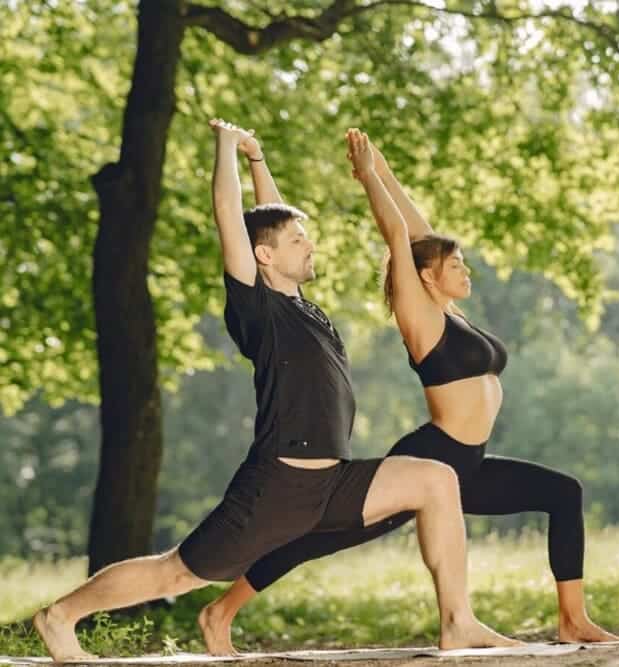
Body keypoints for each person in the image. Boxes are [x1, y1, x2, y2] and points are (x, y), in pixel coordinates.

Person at [32, 120, 514, 662]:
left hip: (332, 479)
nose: (309, 246)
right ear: (264, 258)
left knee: (436, 480)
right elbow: (233, 222)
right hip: (278, 486)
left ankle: (457, 621)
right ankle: (60, 616)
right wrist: (225, 148)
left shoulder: (302, 307)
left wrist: (260, 161)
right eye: (297, 242)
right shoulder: (258, 310)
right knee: (180, 572)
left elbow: (272, 223)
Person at [195, 128, 619, 656]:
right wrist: (368, 180)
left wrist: (379, 167)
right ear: (424, 276)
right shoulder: (418, 312)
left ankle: (572, 619)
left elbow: (419, 232)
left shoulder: (450, 310)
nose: (464, 268)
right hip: (433, 456)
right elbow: (399, 237)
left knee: (564, 493)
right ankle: (220, 611)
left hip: (470, 460)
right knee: (317, 537)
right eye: (455, 264)